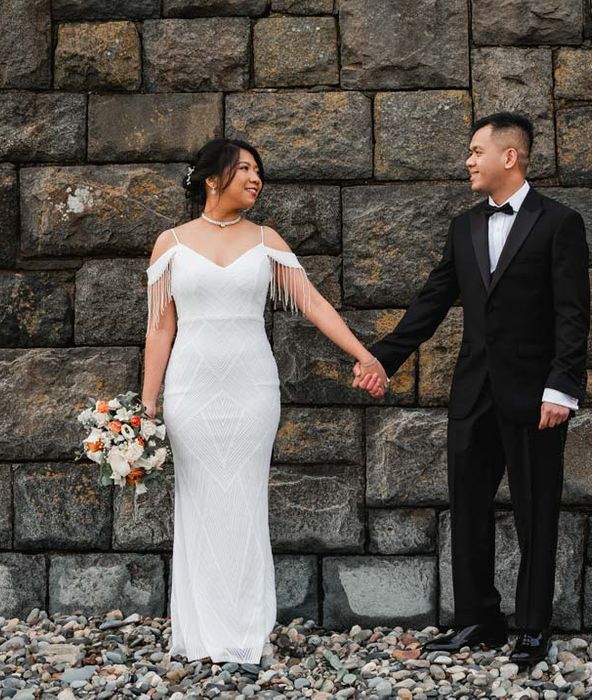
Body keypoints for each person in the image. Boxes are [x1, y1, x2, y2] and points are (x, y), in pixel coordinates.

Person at [355, 112, 590, 666]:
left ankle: (533, 628)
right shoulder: (463, 226)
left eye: (475, 150)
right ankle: (478, 621)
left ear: (509, 156)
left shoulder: (560, 224)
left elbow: (573, 316)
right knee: (468, 509)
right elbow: (433, 301)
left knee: (537, 511)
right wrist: (383, 359)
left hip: (537, 399)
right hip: (473, 395)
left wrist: (562, 387)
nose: (468, 160)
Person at [141, 138, 387, 663]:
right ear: (213, 178)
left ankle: (247, 631)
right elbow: (159, 329)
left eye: (258, 171)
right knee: (200, 501)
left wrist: (365, 356)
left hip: (252, 389)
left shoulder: (266, 239)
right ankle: (203, 632)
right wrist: (148, 405)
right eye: (245, 169)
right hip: (192, 389)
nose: (256, 179)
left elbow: (314, 303)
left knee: (245, 500)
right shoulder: (171, 244)